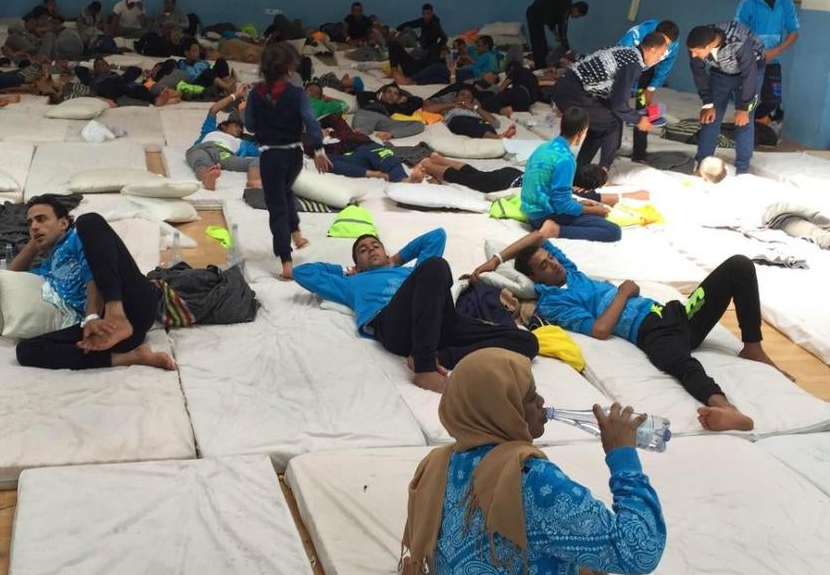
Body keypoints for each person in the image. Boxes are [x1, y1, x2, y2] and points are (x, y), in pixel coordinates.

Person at [404, 348, 711, 575]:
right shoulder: (531, 480)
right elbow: (639, 549)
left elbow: (472, 544)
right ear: (504, 410)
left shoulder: (438, 463)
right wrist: (623, 457)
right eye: (529, 397)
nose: (542, 402)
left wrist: (574, 568)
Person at [475, 226, 790, 430]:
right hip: (651, 331)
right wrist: (624, 293)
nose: (553, 264)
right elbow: (600, 330)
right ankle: (725, 408)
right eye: (544, 265)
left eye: (550, 259)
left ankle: (753, 346)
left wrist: (496, 260)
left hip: (676, 314)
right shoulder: (554, 302)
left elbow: (539, 235)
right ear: (535, 278)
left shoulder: (570, 272)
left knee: (738, 264)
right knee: (685, 366)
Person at [294, 230, 538, 393]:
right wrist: (343, 270)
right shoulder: (351, 282)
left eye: (375, 246)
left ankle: (441, 357)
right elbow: (302, 272)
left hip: (438, 323)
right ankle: (425, 367)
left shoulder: (410, 271)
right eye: (363, 250)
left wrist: (397, 259)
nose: (371, 250)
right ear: (357, 264)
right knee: (436, 265)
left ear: (386, 253)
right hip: (394, 325)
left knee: (526, 341)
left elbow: (437, 236)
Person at [12, 198, 176, 372]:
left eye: (41, 219)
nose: (34, 226)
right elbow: (11, 276)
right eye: (30, 223)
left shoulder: (79, 239)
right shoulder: (47, 267)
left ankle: (115, 314)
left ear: (63, 223)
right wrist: (34, 242)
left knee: (88, 220)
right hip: (110, 332)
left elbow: (92, 272)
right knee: (26, 350)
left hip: (131, 302)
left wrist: (91, 316)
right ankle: (131, 357)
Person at [244, 43, 329, 280]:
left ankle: (286, 262)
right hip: (294, 156)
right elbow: (311, 122)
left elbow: (250, 125)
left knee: (277, 207)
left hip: (271, 156)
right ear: (290, 70)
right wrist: (319, 151)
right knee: (286, 192)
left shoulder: (256, 94)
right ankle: (297, 235)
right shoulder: (297, 93)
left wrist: (266, 119)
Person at [552, 37, 666, 168]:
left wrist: (635, 100)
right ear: (652, 49)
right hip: (573, 92)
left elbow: (614, 90)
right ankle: (603, 169)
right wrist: (639, 120)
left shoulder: (626, 50)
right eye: (660, 54)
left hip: (566, 84)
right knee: (612, 122)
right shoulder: (633, 64)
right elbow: (619, 106)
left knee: (599, 126)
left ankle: (581, 169)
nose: (659, 58)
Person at [520, 107, 620, 243]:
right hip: (543, 217)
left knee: (593, 214)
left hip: (530, 212)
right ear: (581, 133)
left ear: (562, 126)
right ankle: (556, 230)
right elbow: (561, 205)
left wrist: (580, 203)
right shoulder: (566, 159)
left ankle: (557, 225)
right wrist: (592, 210)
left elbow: (549, 192)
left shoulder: (543, 147)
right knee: (613, 231)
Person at [686, 21, 766, 176]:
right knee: (710, 116)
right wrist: (707, 102)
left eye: (697, 52)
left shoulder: (738, 42)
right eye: (692, 52)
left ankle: (742, 170)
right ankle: (702, 165)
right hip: (721, 72)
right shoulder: (698, 42)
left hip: (751, 71)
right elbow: (699, 73)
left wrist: (744, 107)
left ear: (709, 46)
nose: (693, 55)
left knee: (744, 120)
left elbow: (750, 75)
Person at [736, 0, 800, 130]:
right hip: (752, 61)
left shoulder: (785, 3)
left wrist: (775, 51)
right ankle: (745, 129)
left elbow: (794, 32)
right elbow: (738, 32)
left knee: (773, 99)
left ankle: (753, 122)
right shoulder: (748, 3)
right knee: (750, 98)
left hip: (773, 60)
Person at [617, 20, 680, 163]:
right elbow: (618, 58)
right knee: (618, 104)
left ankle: (639, 154)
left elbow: (665, 66)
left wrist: (651, 88)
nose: (662, 49)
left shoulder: (674, 43)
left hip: (646, 74)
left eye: (666, 46)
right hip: (625, 70)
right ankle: (613, 146)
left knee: (643, 108)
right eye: (660, 44)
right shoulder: (636, 35)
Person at [186, 86, 260, 190]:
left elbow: (261, 150)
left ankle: (254, 181)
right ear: (223, 126)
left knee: (257, 161)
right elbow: (213, 109)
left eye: (241, 129)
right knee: (201, 163)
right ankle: (207, 179)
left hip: (224, 154)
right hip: (201, 148)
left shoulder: (242, 142)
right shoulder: (210, 131)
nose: (239, 129)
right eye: (236, 126)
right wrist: (236, 95)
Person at [526, 0, 588, 69]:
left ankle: (542, 64)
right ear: (576, 9)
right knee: (538, 42)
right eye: (579, 15)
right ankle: (540, 67)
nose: (577, 17)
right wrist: (567, 50)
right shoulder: (565, 8)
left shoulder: (563, 7)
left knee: (542, 43)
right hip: (534, 13)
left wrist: (556, 35)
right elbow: (562, 30)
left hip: (538, 14)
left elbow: (551, 21)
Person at [388, 4, 447, 82]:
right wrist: (396, 30)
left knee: (408, 38)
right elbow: (409, 23)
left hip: (425, 60)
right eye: (424, 14)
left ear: (432, 13)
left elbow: (444, 38)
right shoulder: (422, 21)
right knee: (399, 38)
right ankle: (394, 72)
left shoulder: (435, 25)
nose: (426, 16)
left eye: (428, 13)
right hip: (417, 56)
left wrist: (441, 48)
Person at [419, 152, 524, 194]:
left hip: (515, 174)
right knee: (463, 178)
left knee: (476, 175)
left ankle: (441, 161)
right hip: (508, 182)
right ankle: (428, 165)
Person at [440, 88, 516, 140]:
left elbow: (495, 123)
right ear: (455, 98)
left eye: (468, 97)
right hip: (458, 120)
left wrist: (475, 108)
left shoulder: (475, 110)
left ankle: (498, 137)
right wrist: (453, 105)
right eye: (462, 94)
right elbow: (432, 108)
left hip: (479, 122)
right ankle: (497, 137)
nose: (465, 97)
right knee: (462, 122)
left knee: (486, 124)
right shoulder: (450, 107)